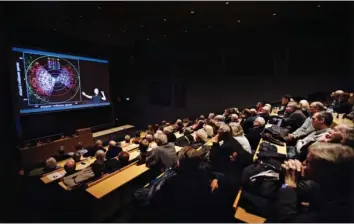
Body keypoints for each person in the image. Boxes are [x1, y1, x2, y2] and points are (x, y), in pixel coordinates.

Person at [268, 143, 354, 222]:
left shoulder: (341, 209)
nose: (303, 163)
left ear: (326, 171)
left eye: (308, 162)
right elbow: (284, 190)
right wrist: (286, 175)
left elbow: (287, 221)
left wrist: (288, 186)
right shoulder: (320, 184)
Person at [145, 146, 216, 222]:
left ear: (180, 162)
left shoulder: (171, 180)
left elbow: (154, 198)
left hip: (179, 215)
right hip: (200, 211)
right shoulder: (204, 172)